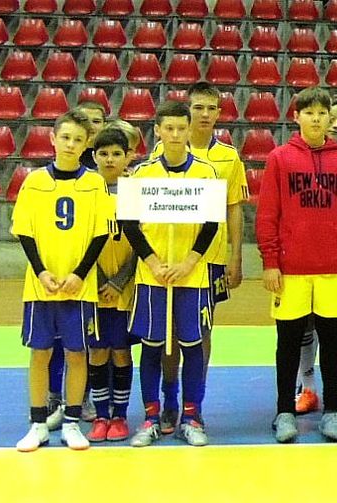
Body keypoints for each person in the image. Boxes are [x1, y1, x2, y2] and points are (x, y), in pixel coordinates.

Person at [258, 87, 337, 443]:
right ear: (296, 117)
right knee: (288, 342)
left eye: (322, 113)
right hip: (291, 269)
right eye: (309, 113)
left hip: (335, 268)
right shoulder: (279, 158)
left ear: (330, 119)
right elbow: (268, 214)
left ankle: (332, 410)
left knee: (333, 342)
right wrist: (270, 261)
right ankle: (284, 411)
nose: (317, 119)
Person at [122, 101, 223, 447]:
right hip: (153, 276)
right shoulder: (142, 174)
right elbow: (129, 225)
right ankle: (153, 415)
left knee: (192, 346)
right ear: (158, 131)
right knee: (152, 347)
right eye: (169, 128)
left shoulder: (206, 173)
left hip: (192, 276)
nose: (176, 135)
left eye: (182, 128)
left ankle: (191, 416)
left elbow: (211, 223)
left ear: (189, 129)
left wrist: (189, 262)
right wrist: (152, 262)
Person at [149, 83, 249, 436]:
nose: (204, 114)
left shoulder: (228, 157)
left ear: (219, 113)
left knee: (201, 331)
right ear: (187, 111)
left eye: (211, 108)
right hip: (170, 259)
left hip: (211, 259)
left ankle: (195, 405)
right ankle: (169, 400)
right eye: (198, 107)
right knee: (169, 332)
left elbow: (234, 208)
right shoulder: (162, 151)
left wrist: (236, 255)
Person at [13, 111, 109, 452]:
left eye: (78, 139)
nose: (70, 144)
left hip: (78, 287)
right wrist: (41, 271)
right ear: (53, 139)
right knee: (40, 353)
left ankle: (71, 422)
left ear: (87, 144)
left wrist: (79, 274)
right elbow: (24, 231)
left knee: (76, 353)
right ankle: (38, 423)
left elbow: (100, 234)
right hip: (41, 285)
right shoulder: (34, 181)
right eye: (65, 137)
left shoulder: (94, 183)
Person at [85, 128, 137, 443]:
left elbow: (141, 243)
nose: (109, 159)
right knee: (97, 350)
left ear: (128, 157)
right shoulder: (86, 191)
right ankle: (101, 414)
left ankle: (120, 415)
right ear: (94, 157)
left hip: (124, 287)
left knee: (120, 350)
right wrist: (101, 279)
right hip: (93, 285)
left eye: (117, 154)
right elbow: (81, 242)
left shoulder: (135, 192)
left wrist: (118, 281)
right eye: (103, 154)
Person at [76, 101, 108, 169]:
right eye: (85, 120)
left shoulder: (112, 152)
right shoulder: (68, 151)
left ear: (104, 125)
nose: (90, 126)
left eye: (96, 121)